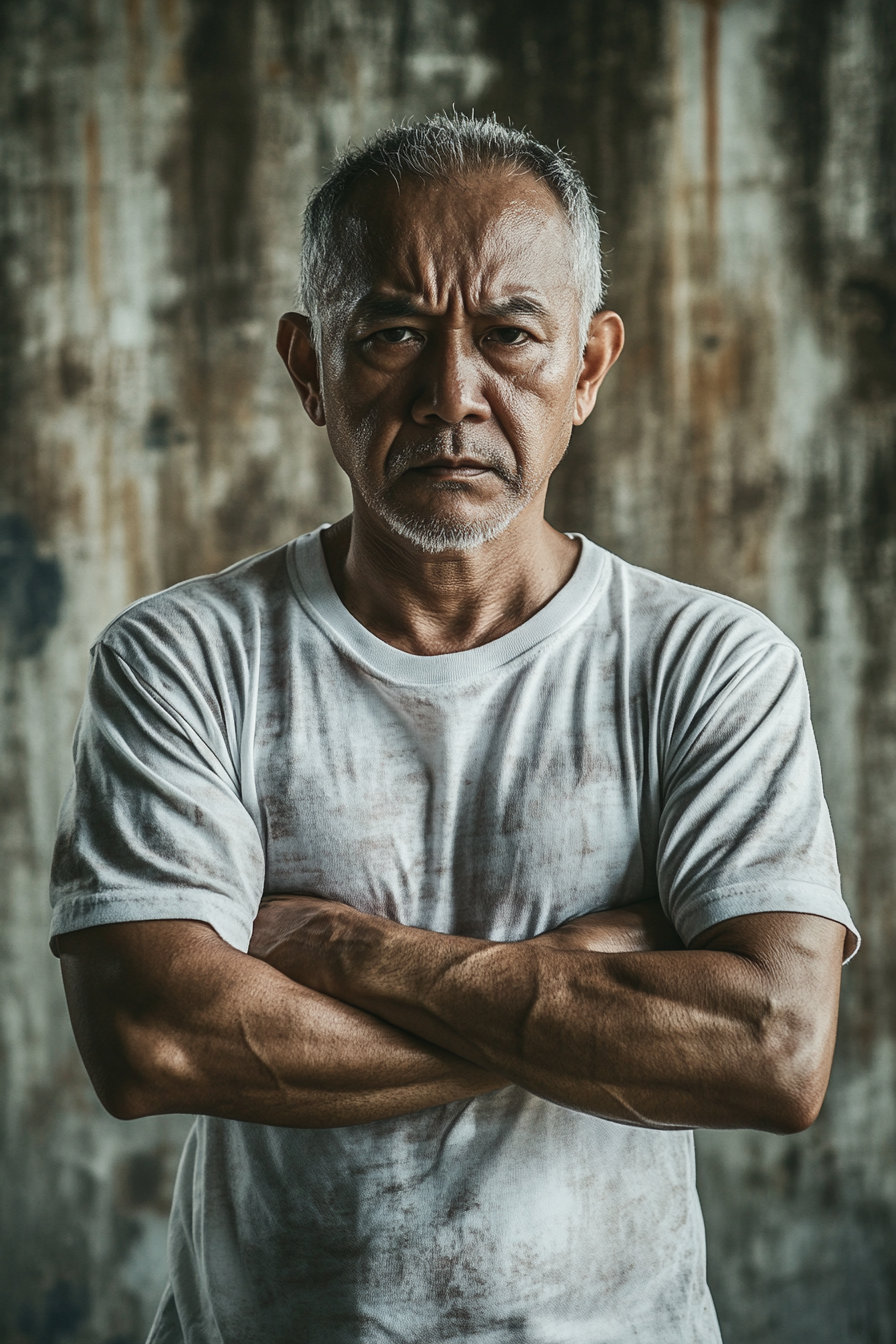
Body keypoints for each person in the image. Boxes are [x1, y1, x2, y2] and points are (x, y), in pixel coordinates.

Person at [51, 113, 858, 1344]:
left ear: (587, 367)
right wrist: (582, 986)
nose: (450, 395)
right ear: (307, 366)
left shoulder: (706, 664)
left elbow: (769, 1051)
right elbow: (155, 1041)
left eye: (508, 335)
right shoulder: (185, 658)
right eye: (390, 334)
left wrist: (343, 951)